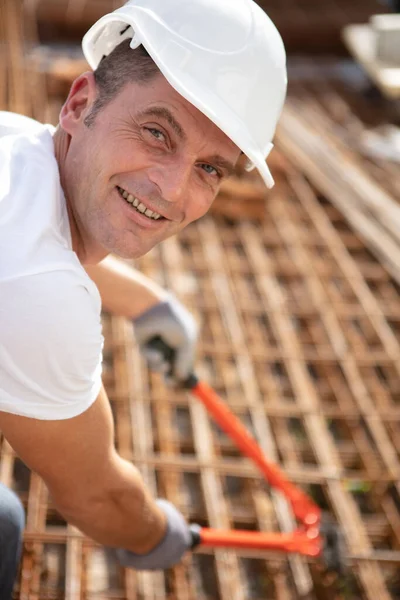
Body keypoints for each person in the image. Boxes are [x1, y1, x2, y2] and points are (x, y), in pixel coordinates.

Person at [0, 0, 287, 596]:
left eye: (210, 168)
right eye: (157, 132)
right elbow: (93, 494)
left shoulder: (16, 145)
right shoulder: (40, 295)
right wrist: (158, 533)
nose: (173, 188)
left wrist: (144, 304)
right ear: (81, 104)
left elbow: (32, 254)